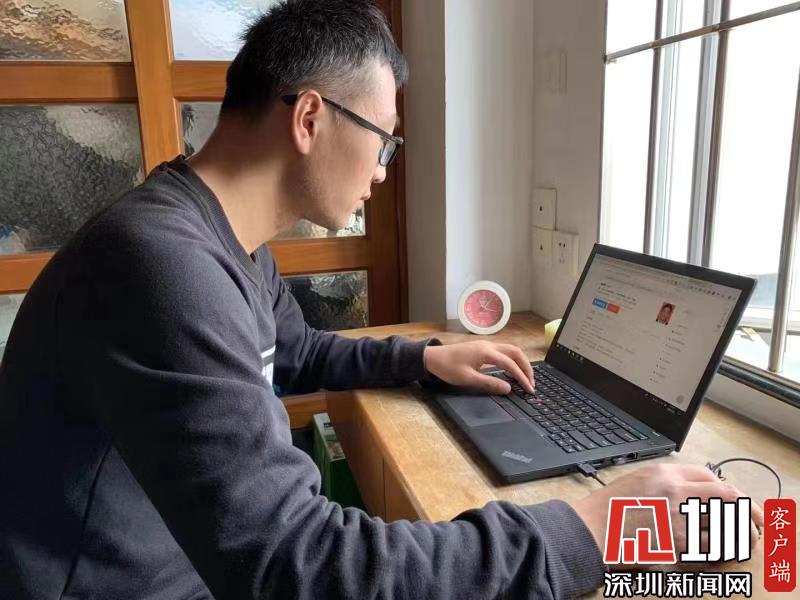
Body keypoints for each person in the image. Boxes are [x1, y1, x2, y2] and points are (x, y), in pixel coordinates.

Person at [0, 1, 762, 598]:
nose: (383, 171)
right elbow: (296, 565)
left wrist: (427, 359)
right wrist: (590, 528)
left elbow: (293, 351)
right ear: (310, 118)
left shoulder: (220, 239)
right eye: (385, 138)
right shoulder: (162, 266)